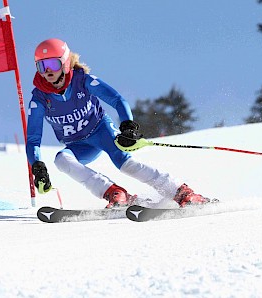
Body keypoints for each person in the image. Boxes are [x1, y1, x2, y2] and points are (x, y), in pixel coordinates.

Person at [26, 38, 211, 208]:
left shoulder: (82, 81)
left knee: (125, 163)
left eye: (52, 63)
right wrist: (37, 166)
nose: (47, 70)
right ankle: (115, 193)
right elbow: (33, 138)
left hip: (101, 131)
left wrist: (127, 126)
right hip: (78, 145)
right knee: (61, 160)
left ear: (65, 63)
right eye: (41, 66)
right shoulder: (39, 98)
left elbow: (117, 99)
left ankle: (181, 192)